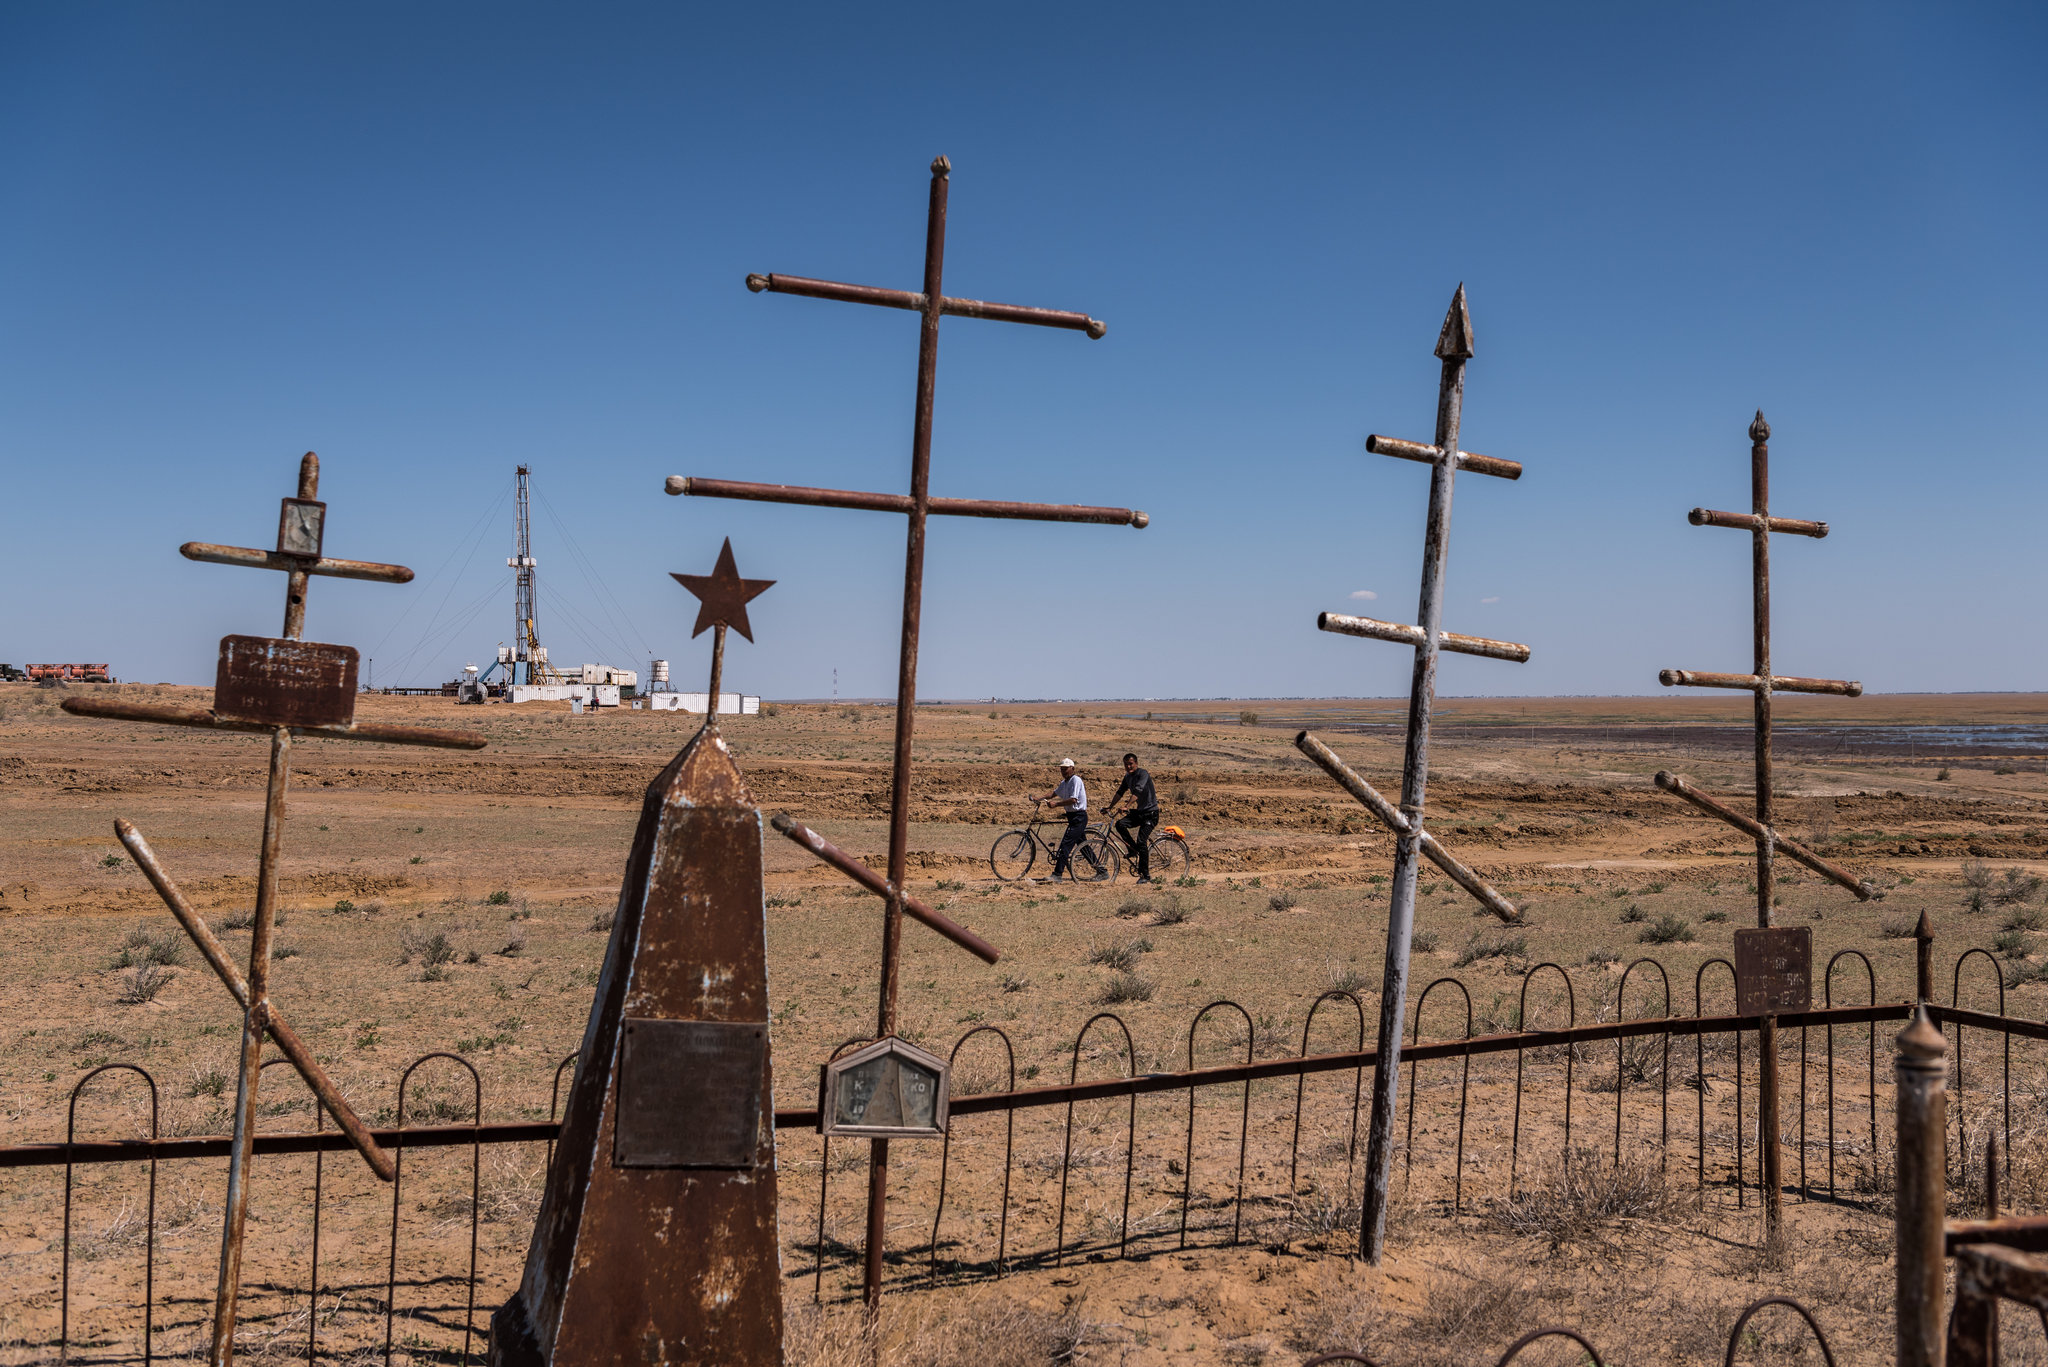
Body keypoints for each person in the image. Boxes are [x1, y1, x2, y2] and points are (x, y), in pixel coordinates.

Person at [1102, 752, 1161, 883]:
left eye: (1131, 764)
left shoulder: (1143, 773)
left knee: (1141, 841)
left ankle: (1145, 876)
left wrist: (1127, 806)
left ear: (1136, 763)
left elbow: (1138, 791)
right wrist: (1110, 807)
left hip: (1151, 814)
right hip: (1140, 812)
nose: (1128, 767)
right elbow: (1120, 792)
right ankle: (1132, 850)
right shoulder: (1128, 777)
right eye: (1126, 764)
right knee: (1120, 824)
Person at [1036, 758, 1089, 882]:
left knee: (1066, 845)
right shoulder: (1064, 782)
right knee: (1083, 845)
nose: (1063, 771)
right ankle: (1101, 871)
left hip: (1078, 816)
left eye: (1065, 769)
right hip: (1072, 817)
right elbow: (1053, 794)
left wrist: (1056, 805)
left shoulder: (1075, 780)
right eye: (1061, 769)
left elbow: (1073, 800)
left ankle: (1057, 874)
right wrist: (1039, 798)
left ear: (1072, 769)